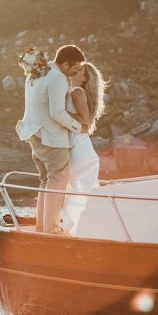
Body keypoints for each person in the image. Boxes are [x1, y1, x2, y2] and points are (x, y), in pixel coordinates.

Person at [16, 44, 85, 233]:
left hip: (33, 133)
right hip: (50, 137)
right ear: (64, 64)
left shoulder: (37, 73)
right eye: (75, 68)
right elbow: (57, 113)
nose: (75, 72)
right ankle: (52, 229)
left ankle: (42, 226)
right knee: (57, 180)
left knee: (45, 180)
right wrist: (78, 127)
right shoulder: (57, 78)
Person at [62, 60, 107, 233]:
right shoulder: (72, 91)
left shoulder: (77, 91)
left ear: (84, 77)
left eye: (78, 70)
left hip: (80, 150)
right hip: (80, 148)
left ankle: (84, 231)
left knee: (81, 196)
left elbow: (85, 122)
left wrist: (59, 111)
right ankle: (83, 230)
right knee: (78, 195)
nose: (73, 69)